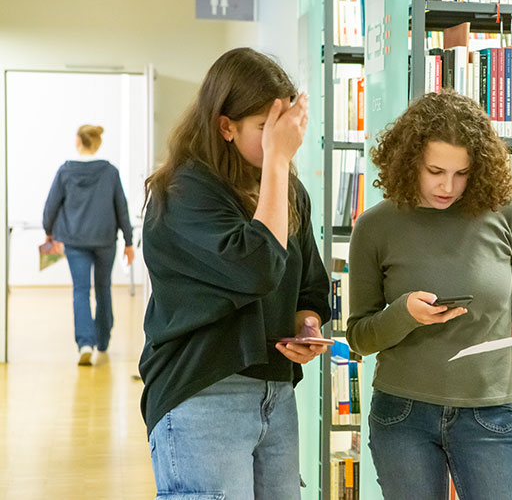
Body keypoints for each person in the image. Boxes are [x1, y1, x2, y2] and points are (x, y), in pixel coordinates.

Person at [139, 47, 331, 500]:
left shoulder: (286, 189)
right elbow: (256, 268)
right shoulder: (183, 193)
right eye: (266, 130)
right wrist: (279, 163)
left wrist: (307, 324)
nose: (278, 143)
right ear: (226, 126)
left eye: (282, 130)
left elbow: (310, 283)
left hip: (275, 395)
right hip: (203, 391)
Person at [346, 89, 512, 499]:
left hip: (488, 412)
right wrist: (404, 314)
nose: (448, 186)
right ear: (409, 162)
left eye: (462, 173)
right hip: (403, 414)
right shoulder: (375, 227)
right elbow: (358, 337)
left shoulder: (509, 214)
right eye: (435, 171)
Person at [42, 124, 135, 366]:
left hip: (74, 240)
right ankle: (103, 341)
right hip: (105, 240)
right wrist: (128, 241)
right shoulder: (110, 172)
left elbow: (51, 205)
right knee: (103, 289)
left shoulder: (66, 171)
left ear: (78, 141)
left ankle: (85, 343)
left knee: (80, 291)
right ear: (97, 142)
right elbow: (121, 207)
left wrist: (48, 232)